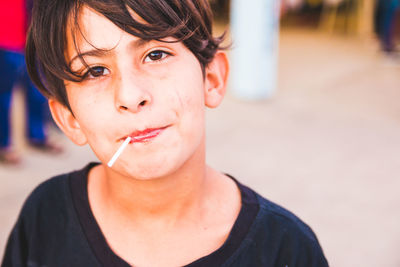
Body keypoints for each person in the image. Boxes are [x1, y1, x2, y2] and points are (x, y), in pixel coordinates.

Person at [1, 0, 329, 266]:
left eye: (156, 54)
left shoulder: (285, 248)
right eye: (95, 70)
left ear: (211, 79)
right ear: (69, 118)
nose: (130, 96)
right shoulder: (46, 215)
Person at [0, 0, 62, 164]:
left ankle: (37, 137)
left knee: (38, 91)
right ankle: (3, 145)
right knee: (4, 97)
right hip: (7, 40)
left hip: (31, 40)